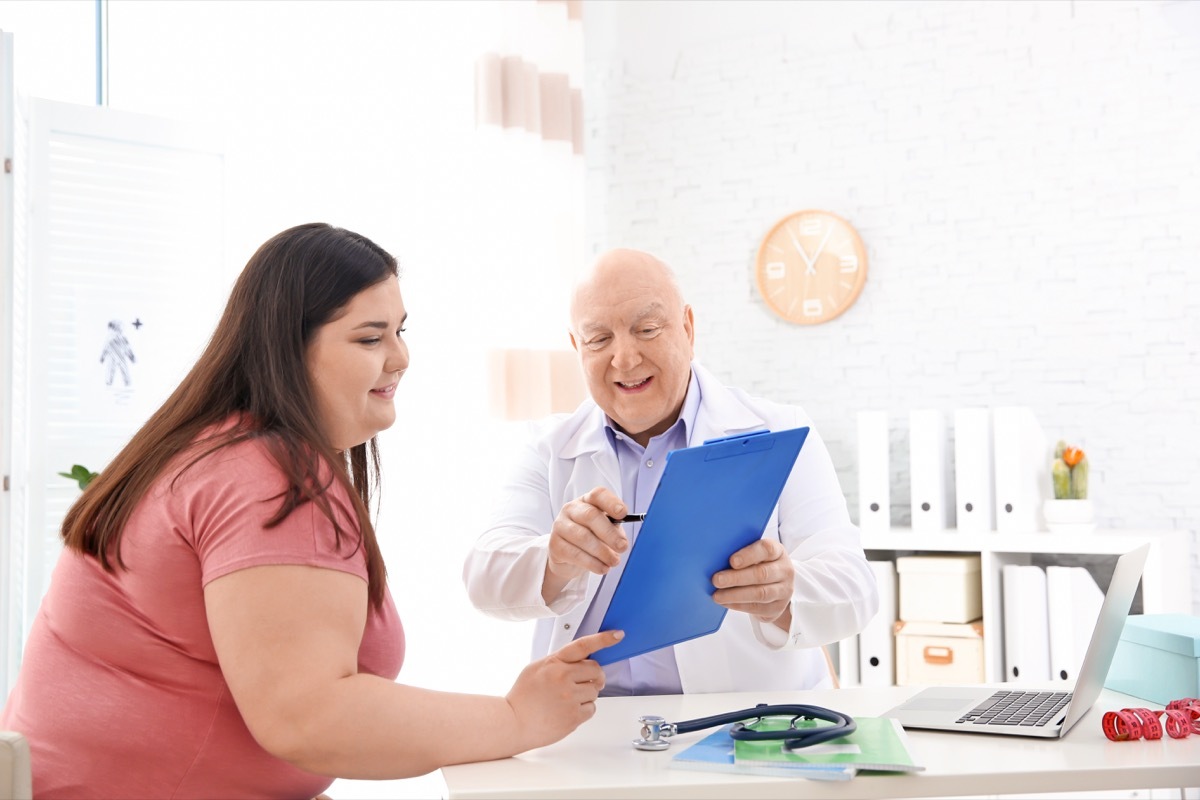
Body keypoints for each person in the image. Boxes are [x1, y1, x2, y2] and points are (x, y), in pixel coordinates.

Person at [0, 223, 622, 798]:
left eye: (400, 331)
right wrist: (515, 718)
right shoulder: (265, 476)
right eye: (370, 337)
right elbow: (309, 716)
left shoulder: (216, 448)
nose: (400, 357)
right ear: (287, 350)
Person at [462, 248, 878, 696]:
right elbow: (483, 579)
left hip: (740, 726)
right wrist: (555, 558)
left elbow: (856, 588)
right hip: (591, 728)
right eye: (599, 339)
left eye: (647, 329)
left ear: (688, 328)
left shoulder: (780, 429)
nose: (624, 358)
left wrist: (785, 593)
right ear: (576, 348)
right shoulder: (549, 446)